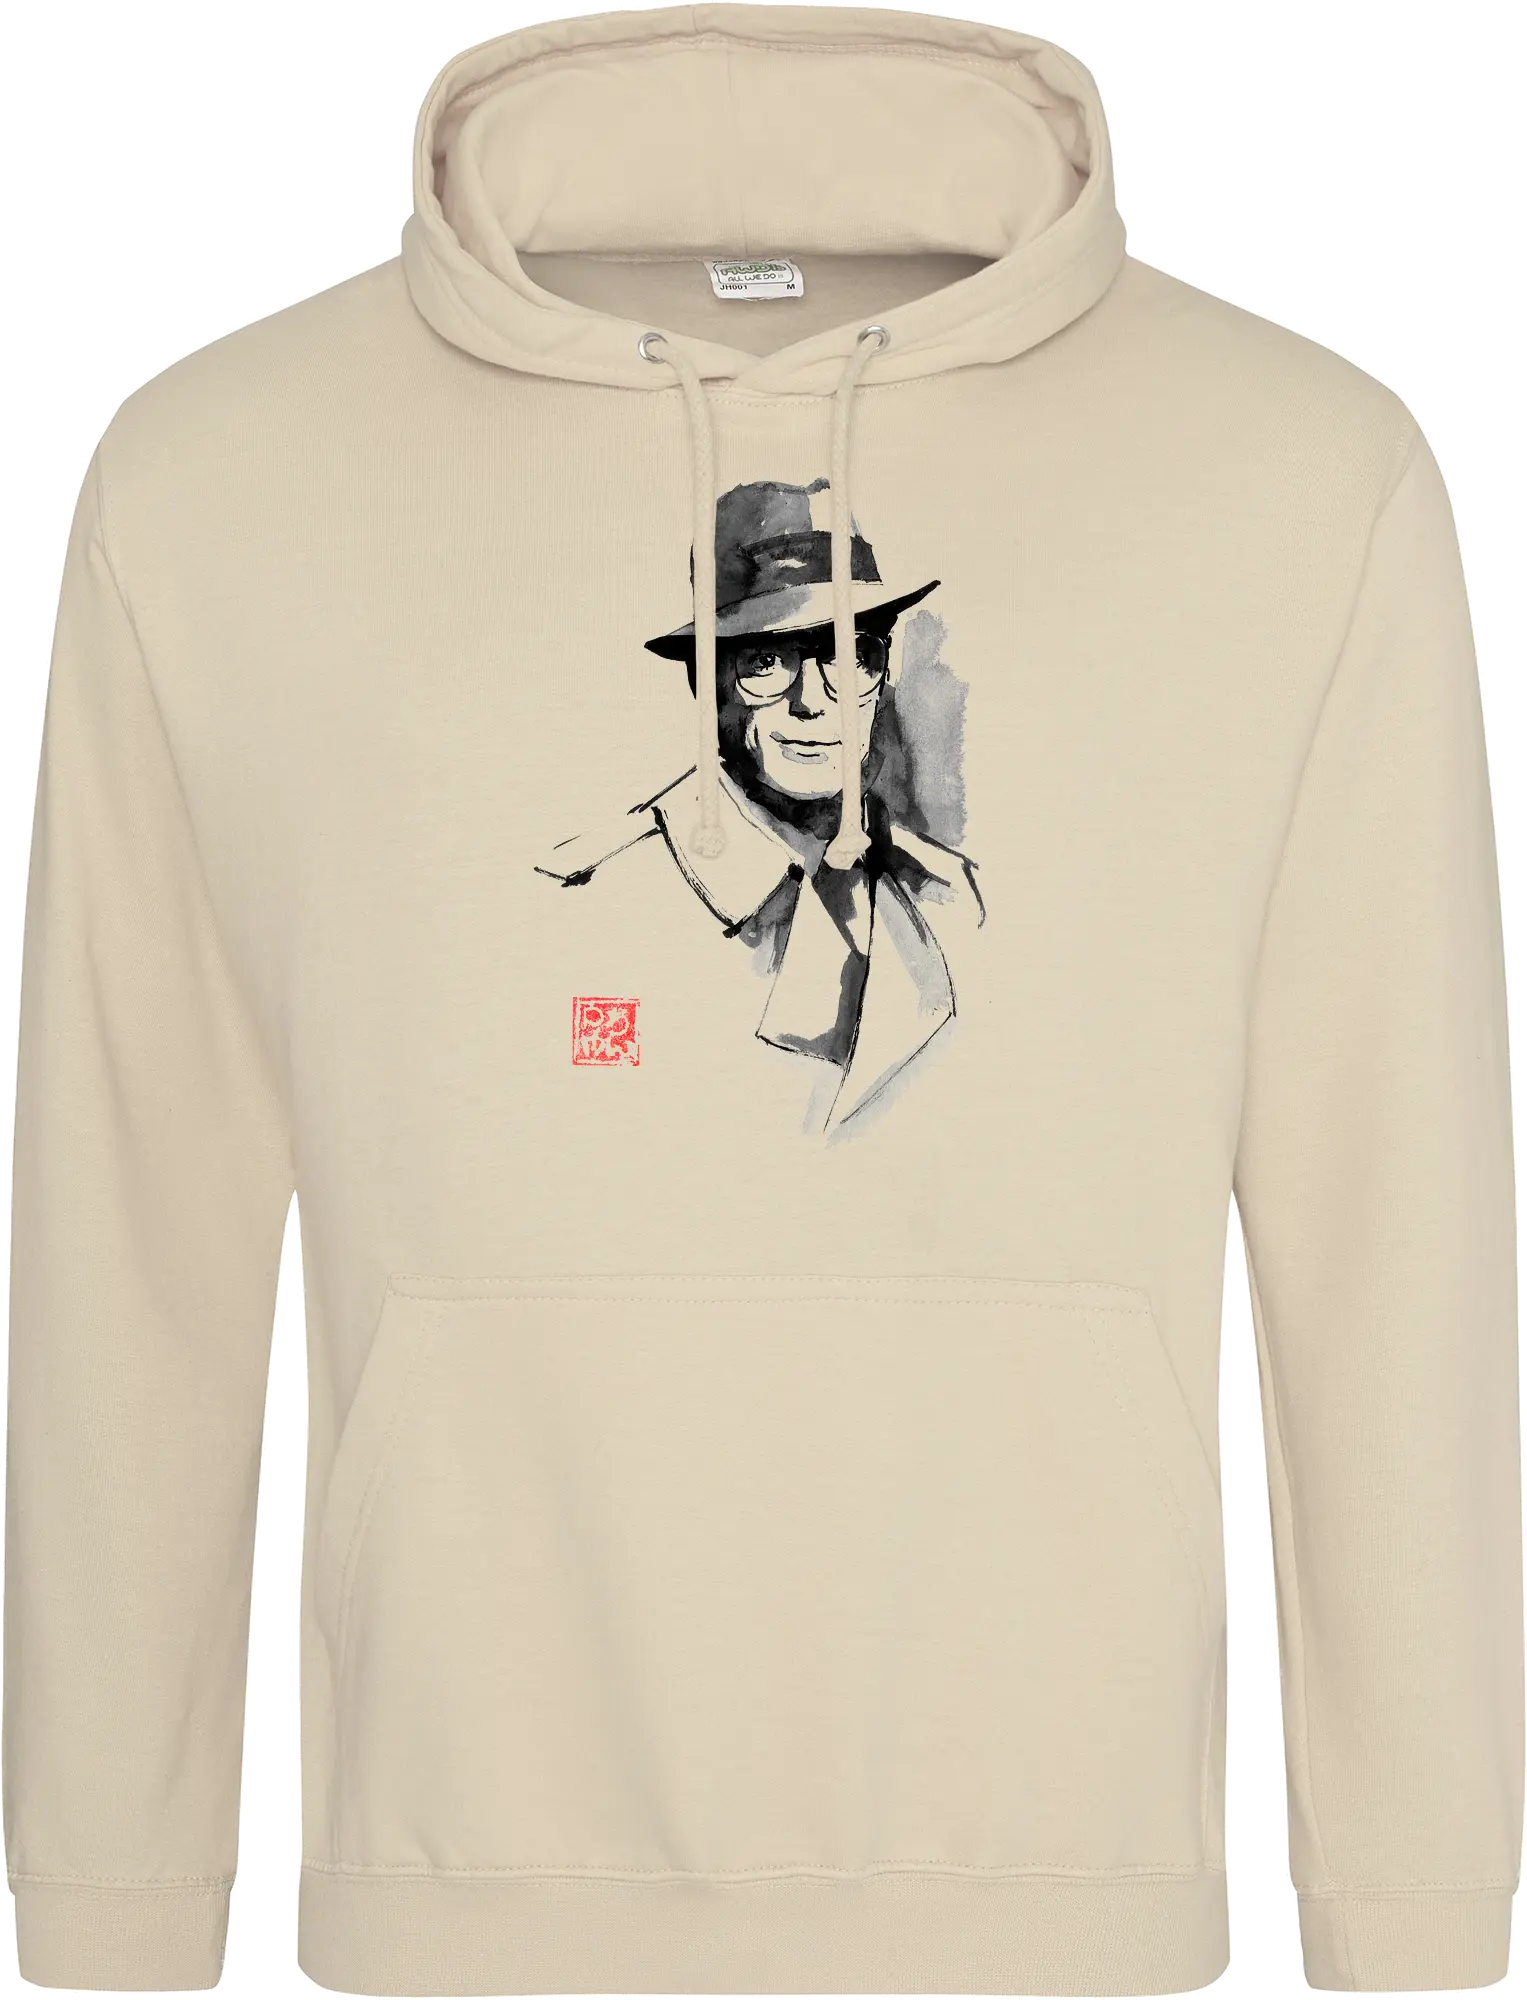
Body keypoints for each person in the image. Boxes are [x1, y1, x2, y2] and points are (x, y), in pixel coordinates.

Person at [537, 477, 983, 1132]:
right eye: (767, 661)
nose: (813, 702)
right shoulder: (607, 904)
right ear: (708, 679)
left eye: (849, 657)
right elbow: (593, 1122)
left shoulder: (946, 888)